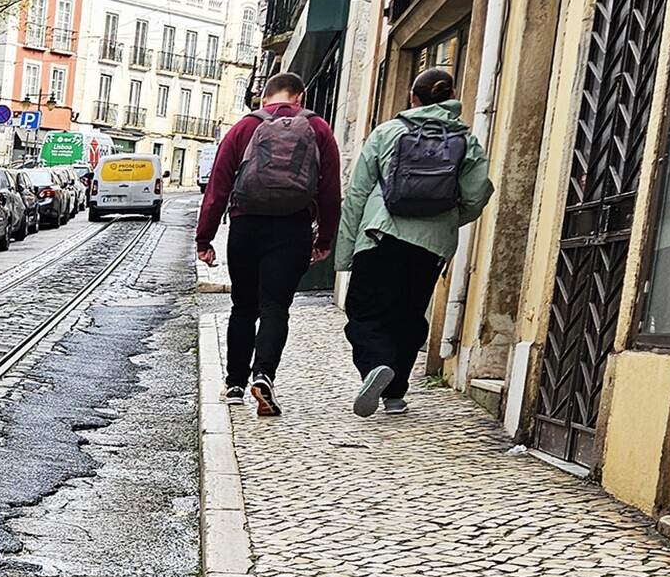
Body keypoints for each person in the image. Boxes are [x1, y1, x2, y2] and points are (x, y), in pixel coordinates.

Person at [337, 67, 496, 416]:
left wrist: (345, 254)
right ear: (452, 95)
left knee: (364, 312)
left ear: (413, 97)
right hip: (430, 246)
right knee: (409, 315)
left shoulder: (387, 133)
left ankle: (376, 365)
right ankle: (395, 394)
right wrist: (444, 222)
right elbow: (477, 196)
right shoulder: (466, 141)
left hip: (380, 236)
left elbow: (358, 194)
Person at [195, 72, 343, 418]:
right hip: (293, 227)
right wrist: (324, 239)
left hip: (247, 225)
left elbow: (217, 186)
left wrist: (205, 238)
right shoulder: (319, 129)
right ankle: (264, 375)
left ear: (264, 99)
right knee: (275, 306)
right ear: (300, 97)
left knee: (243, 307)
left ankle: (234, 384)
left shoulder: (244, 127)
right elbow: (330, 192)